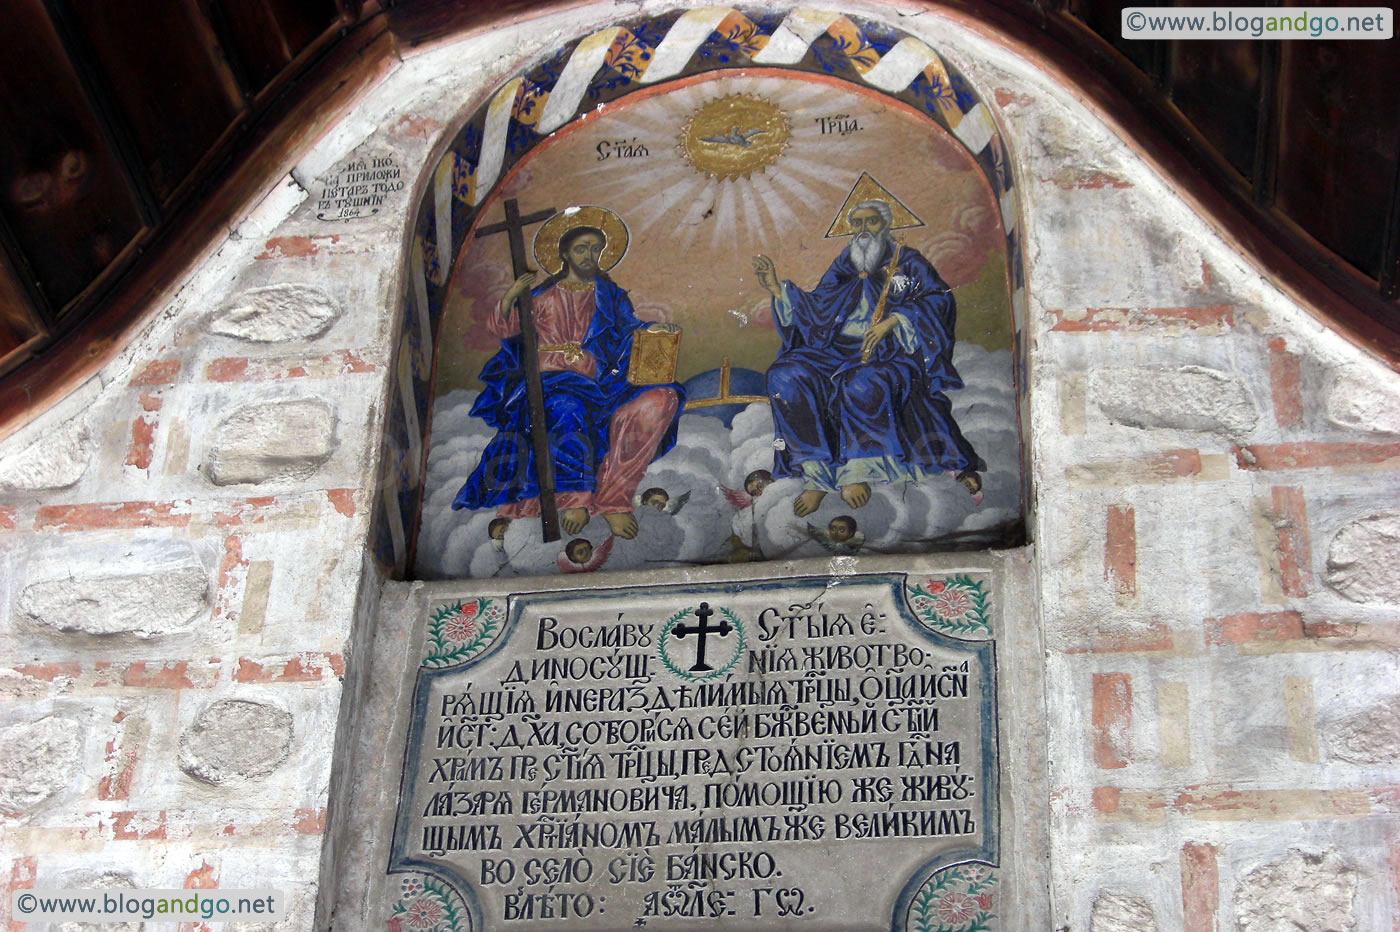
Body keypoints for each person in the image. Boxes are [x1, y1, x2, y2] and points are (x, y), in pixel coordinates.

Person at [452, 208, 683, 539]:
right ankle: (576, 497)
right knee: (567, 408)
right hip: (551, 382)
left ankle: (613, 499)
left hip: (600, 384)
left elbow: (629, 328)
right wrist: (511, 296)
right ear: (563, 253)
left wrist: (654, 328)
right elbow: (505, 327)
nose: (589, 256)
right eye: (581, 249)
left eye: (595, 249)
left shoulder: (609, 295)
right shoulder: (542, 296)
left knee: (662, 398)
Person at [752, 198, 981, 517]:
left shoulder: (908, 262)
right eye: (856, 224)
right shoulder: (844, 264)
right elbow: (818, 308)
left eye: (870, 222)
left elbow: (937, 303)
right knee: (785, 375)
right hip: (833, 349)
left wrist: (894, 322)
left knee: (861, 382)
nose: (862, 230)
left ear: (886, 226)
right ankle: (817, 476)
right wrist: (778, 290)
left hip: (888, 354)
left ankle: (857, 473)